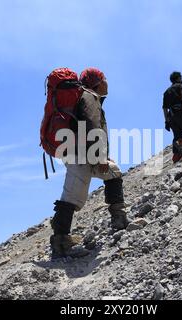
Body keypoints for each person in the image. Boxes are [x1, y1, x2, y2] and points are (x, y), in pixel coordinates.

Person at [50, 68, 131, 258]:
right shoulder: (89, 97)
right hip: (80, 157)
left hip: (83, 155)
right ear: (98, 82)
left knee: (113, 172)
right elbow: (91, 126)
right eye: (105, 79)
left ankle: (119, 219)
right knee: (71, 199)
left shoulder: (89, 98)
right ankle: (60, 243)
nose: (107, 83)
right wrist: (101, 157)